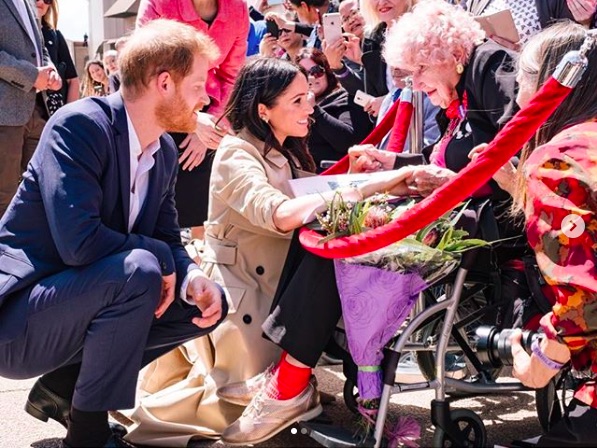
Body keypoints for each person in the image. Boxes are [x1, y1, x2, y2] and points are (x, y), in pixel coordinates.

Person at [124, 57, 413, 446]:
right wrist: (367, 186)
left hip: (270, 290)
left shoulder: (281, 151)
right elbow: (279, 213)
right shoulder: (236, 153)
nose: (311, 106)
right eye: (297, 100)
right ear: (264, 110)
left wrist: (373, 178)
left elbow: (312, 195)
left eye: (309, 97)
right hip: (242, 300)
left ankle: (306, 378)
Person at [0, 19, 227, 448]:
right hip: (18, 321)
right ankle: (87, 436)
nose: (207, 96)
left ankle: (66, 388)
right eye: (197, 85)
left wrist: (193, 275)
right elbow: (79, 242)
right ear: (165, 82)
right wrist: (160, 258)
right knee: (140, 270)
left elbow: (166, 238)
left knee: (201, 302)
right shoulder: (79, 126)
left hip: (80, 304)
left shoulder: (163, 150)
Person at [485, 22, 597, 447]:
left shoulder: (560, 159)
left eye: (523, 78)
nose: (516, 92)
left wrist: (535, 363)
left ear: (551, 81)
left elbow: (582, 302)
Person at [137, 0, 249, 243]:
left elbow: (233, 76)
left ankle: (202, 268)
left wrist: (212, 123)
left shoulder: (238, 9)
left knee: (204, 206)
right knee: (154, 207)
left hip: (211, 111)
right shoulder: (158, 3)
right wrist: (190, 121)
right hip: (160, 107)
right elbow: (144, 69)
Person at [0, 0, 62, 217]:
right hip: (5, 114)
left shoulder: (27, 3)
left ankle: (24, 250)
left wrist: (50, 70)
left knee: (36, 193)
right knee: (4, 194)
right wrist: (32, 75)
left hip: (37, 111)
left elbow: (38, 48)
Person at [297, 47, 371, 170]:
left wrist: (315, 110)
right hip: (304, 172)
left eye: (316, 71)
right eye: (304, 74)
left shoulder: (344, 96)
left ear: (327, 71)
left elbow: (349, 141)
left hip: (335, 172)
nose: (311, 78)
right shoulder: (296, 102)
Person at [465, 0, 596, 49]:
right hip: (486, 92)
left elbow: (570, 52)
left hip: (531, 91)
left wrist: (520, 57)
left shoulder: (558, 3)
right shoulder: (476, 2)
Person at [36, 0, 79, 107]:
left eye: (47, 0)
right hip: (17, 112)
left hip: (51, 111)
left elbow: (73, 80)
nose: (41, 2)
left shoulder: (55, 35)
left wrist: (68, 116)